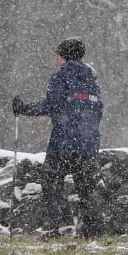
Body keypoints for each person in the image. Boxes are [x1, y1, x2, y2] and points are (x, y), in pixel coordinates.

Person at [12, 37, 104, 237]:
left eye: (58, 54)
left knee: (52, 184)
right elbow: (97, 112)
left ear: (65, 56)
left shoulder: (61, 78)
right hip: (88, 145)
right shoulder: (92, 82)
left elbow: (52, 105)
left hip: (63, 143)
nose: (55, 57)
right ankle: (92, 231)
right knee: (86, 188)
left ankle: (61, 226)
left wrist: (24, 109)